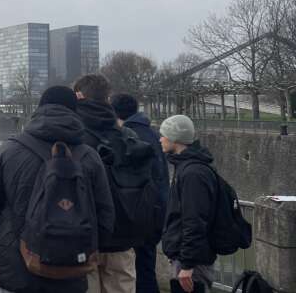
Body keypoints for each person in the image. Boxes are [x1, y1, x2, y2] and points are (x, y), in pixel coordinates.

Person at [0, 86, 115, 293]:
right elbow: (105, 218)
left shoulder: (9, 150)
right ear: (75, 112)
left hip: (12, 272)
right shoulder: (89, 157)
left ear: (39, 109)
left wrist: (6, 241)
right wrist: (77, 248)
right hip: (70, 274)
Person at [74, 74, 145, 293]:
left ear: (79, 96)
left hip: (85, 238)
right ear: (107, 98)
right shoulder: (128, 136)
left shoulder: (74, 138)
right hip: (123, 236)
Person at [110, 93, 170, 293]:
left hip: (137, 211)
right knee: (146, 268)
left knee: (133, 272)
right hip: (155, 210)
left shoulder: (127, 136)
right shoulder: (151, 133)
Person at [160, 115, 217, 292]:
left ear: (175, 139)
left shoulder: (192, 173)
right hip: (187, 257)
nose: (160, 139)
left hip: (192, 263)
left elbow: (195, 220)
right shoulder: (187, 167)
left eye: (164, 135)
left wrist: (187, 265)